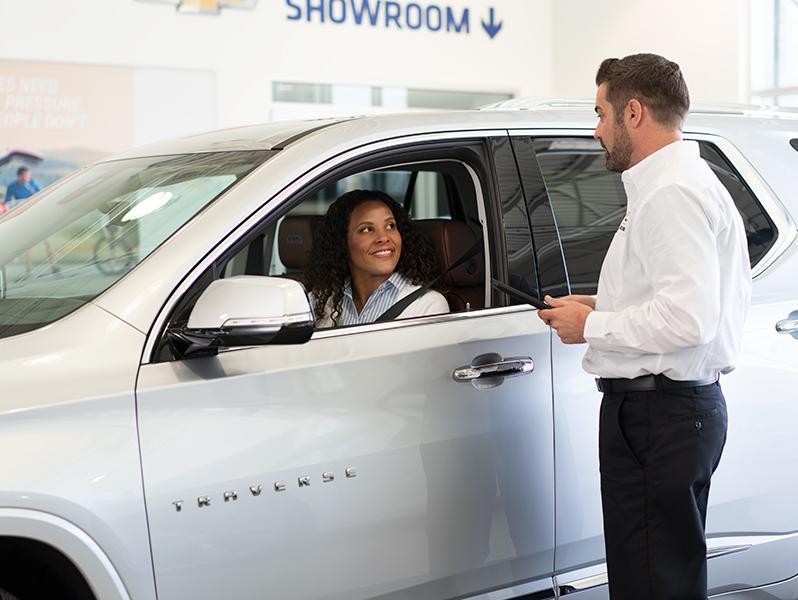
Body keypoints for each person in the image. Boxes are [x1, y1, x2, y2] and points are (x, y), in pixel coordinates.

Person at [538, 54, 751, 600]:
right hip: (669, 413)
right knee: (662, 576)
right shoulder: (675, 183)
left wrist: (593, 326)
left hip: (660, 415)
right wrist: (599, 304)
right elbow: (672, 298)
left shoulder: (670, 193)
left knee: (653, 583)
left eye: (601, 113)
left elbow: (687, 320)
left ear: (633, 112)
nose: (597, 130)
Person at [305, 189, 449, 327]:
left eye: (390, 226)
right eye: (367, 229)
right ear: (341, 242)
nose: (383, 238)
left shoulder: (427, 306)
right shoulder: (319, 303)